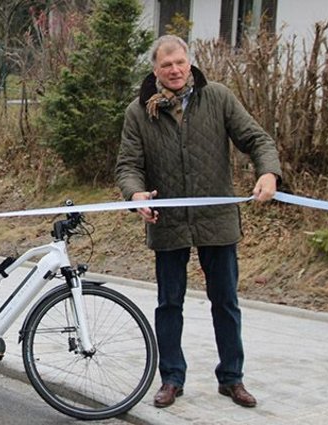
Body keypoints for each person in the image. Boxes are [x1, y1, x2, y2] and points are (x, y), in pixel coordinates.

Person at [116, 35, 281, 410]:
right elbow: (128, 166)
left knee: (225, 301)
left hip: (216, 220)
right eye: (166, 65)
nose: (174, 70)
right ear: (155, 70)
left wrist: (268, 173)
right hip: (167, 221)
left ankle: (232, 378)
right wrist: (135, 194)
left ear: (189, 62)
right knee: (169, 303)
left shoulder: (218, 97)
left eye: (180, 62)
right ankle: (172, 378)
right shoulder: (139, 111)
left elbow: (257, 139)